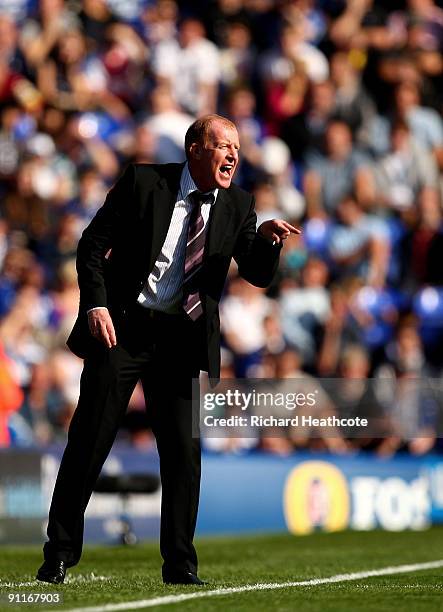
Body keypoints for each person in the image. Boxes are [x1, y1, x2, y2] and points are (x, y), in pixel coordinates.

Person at [36, 114, 299, 585]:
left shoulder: (238, 203)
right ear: (195, 148)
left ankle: (180, 565)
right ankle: (58, 553)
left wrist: (267, 241)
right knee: (89, 442)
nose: (234, 154)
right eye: (223, 145)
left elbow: (257, 273)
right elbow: (91, 246)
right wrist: (94, 304)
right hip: (124, 329)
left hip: (183, 340)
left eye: (237, 147)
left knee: (183, 454)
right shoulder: (143, 181)